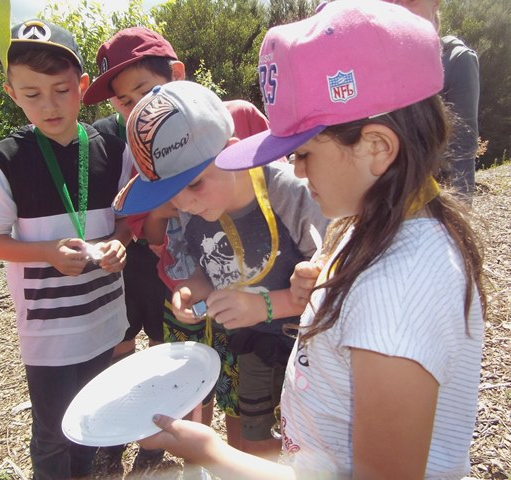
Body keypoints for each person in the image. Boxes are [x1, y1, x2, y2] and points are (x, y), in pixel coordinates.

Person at [137, 2, 486, 478]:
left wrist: (213, 453)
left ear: (377, 147)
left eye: (302, 154)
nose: (296, 171)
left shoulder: (397, 288)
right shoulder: (367, 226)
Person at [113, 80, 327, 460]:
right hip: (253, 348)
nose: (184, 204)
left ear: (230, 152)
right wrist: (191, 289)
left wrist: (265, 306)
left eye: (194, 184)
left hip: (312, 350)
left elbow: (334, 287)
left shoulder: (291, 194)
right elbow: (204, 269)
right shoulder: (189, 210)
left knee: (310, 450)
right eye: (170, 194)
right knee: (259, 446)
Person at [0, 19, 133, 479]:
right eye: (32, 94)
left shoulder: (111, 148)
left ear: (82, 86)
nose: (49, 105)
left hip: (105, 319)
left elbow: (126, 221)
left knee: (90, 421)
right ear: (11, 94)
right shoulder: (3, 159)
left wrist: (120, 243)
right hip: (49, 336)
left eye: (61, 90)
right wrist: (47, 252)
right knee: (51, 434)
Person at [82, 27, 186, 470]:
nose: (136, 108)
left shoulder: (200, 124)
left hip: (178, 265)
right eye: (123, 101)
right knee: (120, 348)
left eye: (145, 92)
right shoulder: (104, 139)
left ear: (176, 76)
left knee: (166, 350)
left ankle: (153, 446)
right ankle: (114, 436)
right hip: (123, 265)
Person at [385, 0, 480, 202]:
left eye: (410, 1)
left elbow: (463, 148)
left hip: (434, 199)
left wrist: (460, 211)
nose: (399, 8)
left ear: (435, 4)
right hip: (388, 196)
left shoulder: (456, 60)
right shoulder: (385, 61)